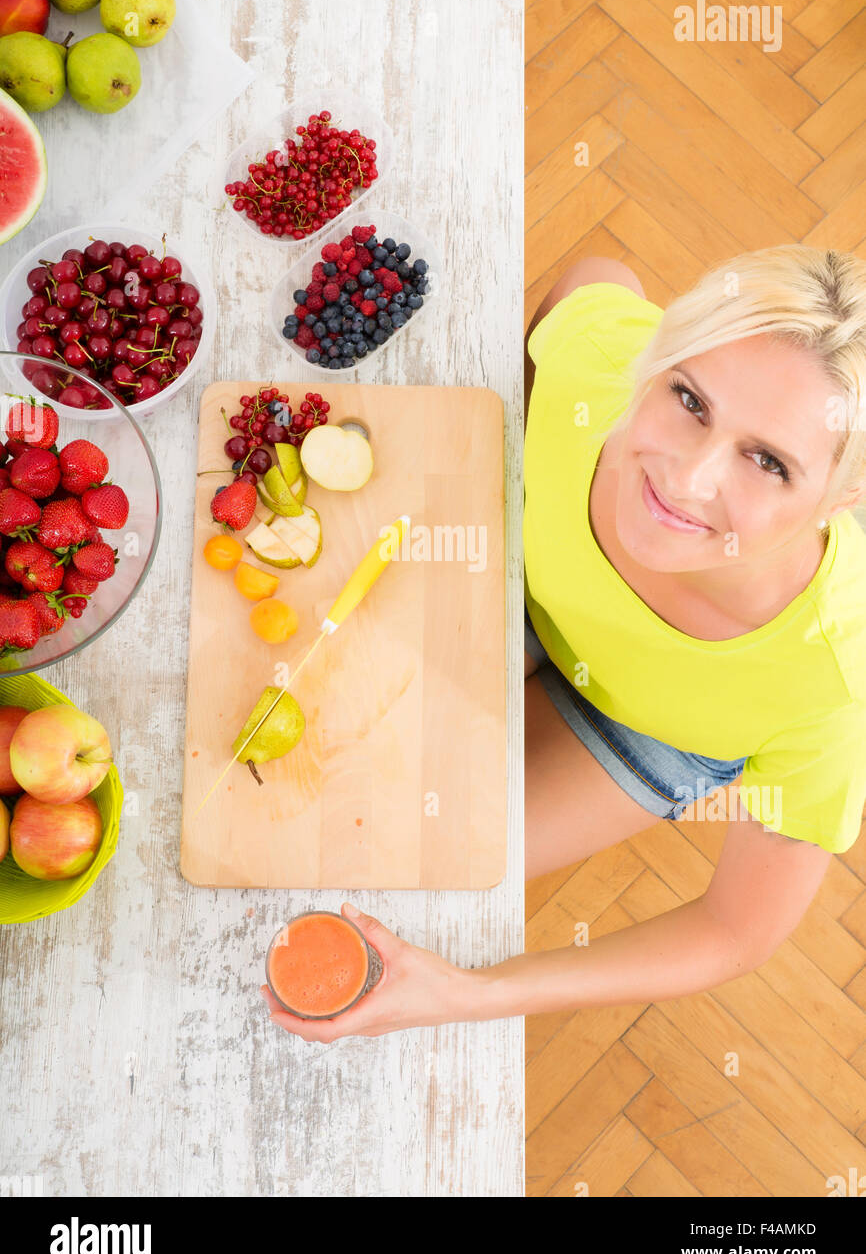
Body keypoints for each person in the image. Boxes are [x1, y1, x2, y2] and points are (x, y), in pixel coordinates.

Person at [262, 245, 866, 1043]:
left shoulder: (831, 687)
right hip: (526, 588)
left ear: (843, 497)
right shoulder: (596, 370)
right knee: (294, 776)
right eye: (688, 397)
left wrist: (463, 994)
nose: (685, 481)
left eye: (767, 461)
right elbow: (599, 276)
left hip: (651, 731)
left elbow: (734, 931)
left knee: (391, 843)